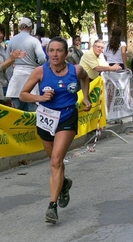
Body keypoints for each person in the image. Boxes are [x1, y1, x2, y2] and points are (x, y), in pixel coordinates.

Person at [19, 36, 91, 224]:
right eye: (51, 50)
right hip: (45, 119)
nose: (55, 54)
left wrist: (85, 98)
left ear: (66, 54)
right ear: (47, 52)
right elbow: (23, 95)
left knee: (57, 160)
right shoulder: (40, 72)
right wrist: (41, 98)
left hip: (67, 117)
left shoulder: (76, 70)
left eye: (59, 51)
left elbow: (86, 79)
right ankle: (64, 183)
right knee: (54, 162)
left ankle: (52, 206)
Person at [5, 17, 46, 111]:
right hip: (31, 76)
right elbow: (42, 58)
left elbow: (8, 59)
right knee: (32, 109)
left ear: (20, 27)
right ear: (31, 27)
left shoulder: (12, 40)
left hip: (16, 77)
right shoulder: (34, 41)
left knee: (16, 111)